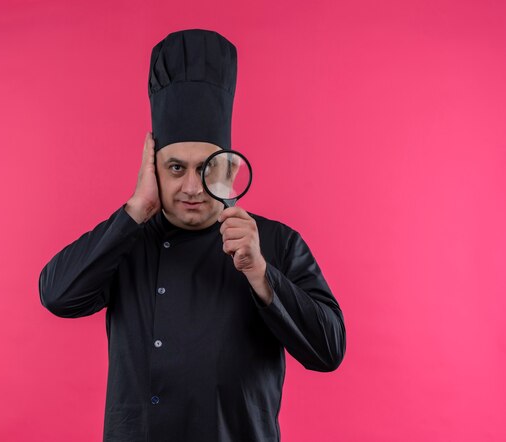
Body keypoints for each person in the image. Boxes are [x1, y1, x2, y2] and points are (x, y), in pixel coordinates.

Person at [39, 29, 346, 442]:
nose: (192, 188)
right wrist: (135, 211)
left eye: (208, 168)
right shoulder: (129, 240)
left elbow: (329, 351)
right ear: (153, 168)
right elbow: (58, 296)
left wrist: (261, 275)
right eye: (176, 168)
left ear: (233, 170)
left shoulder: (275, 243)